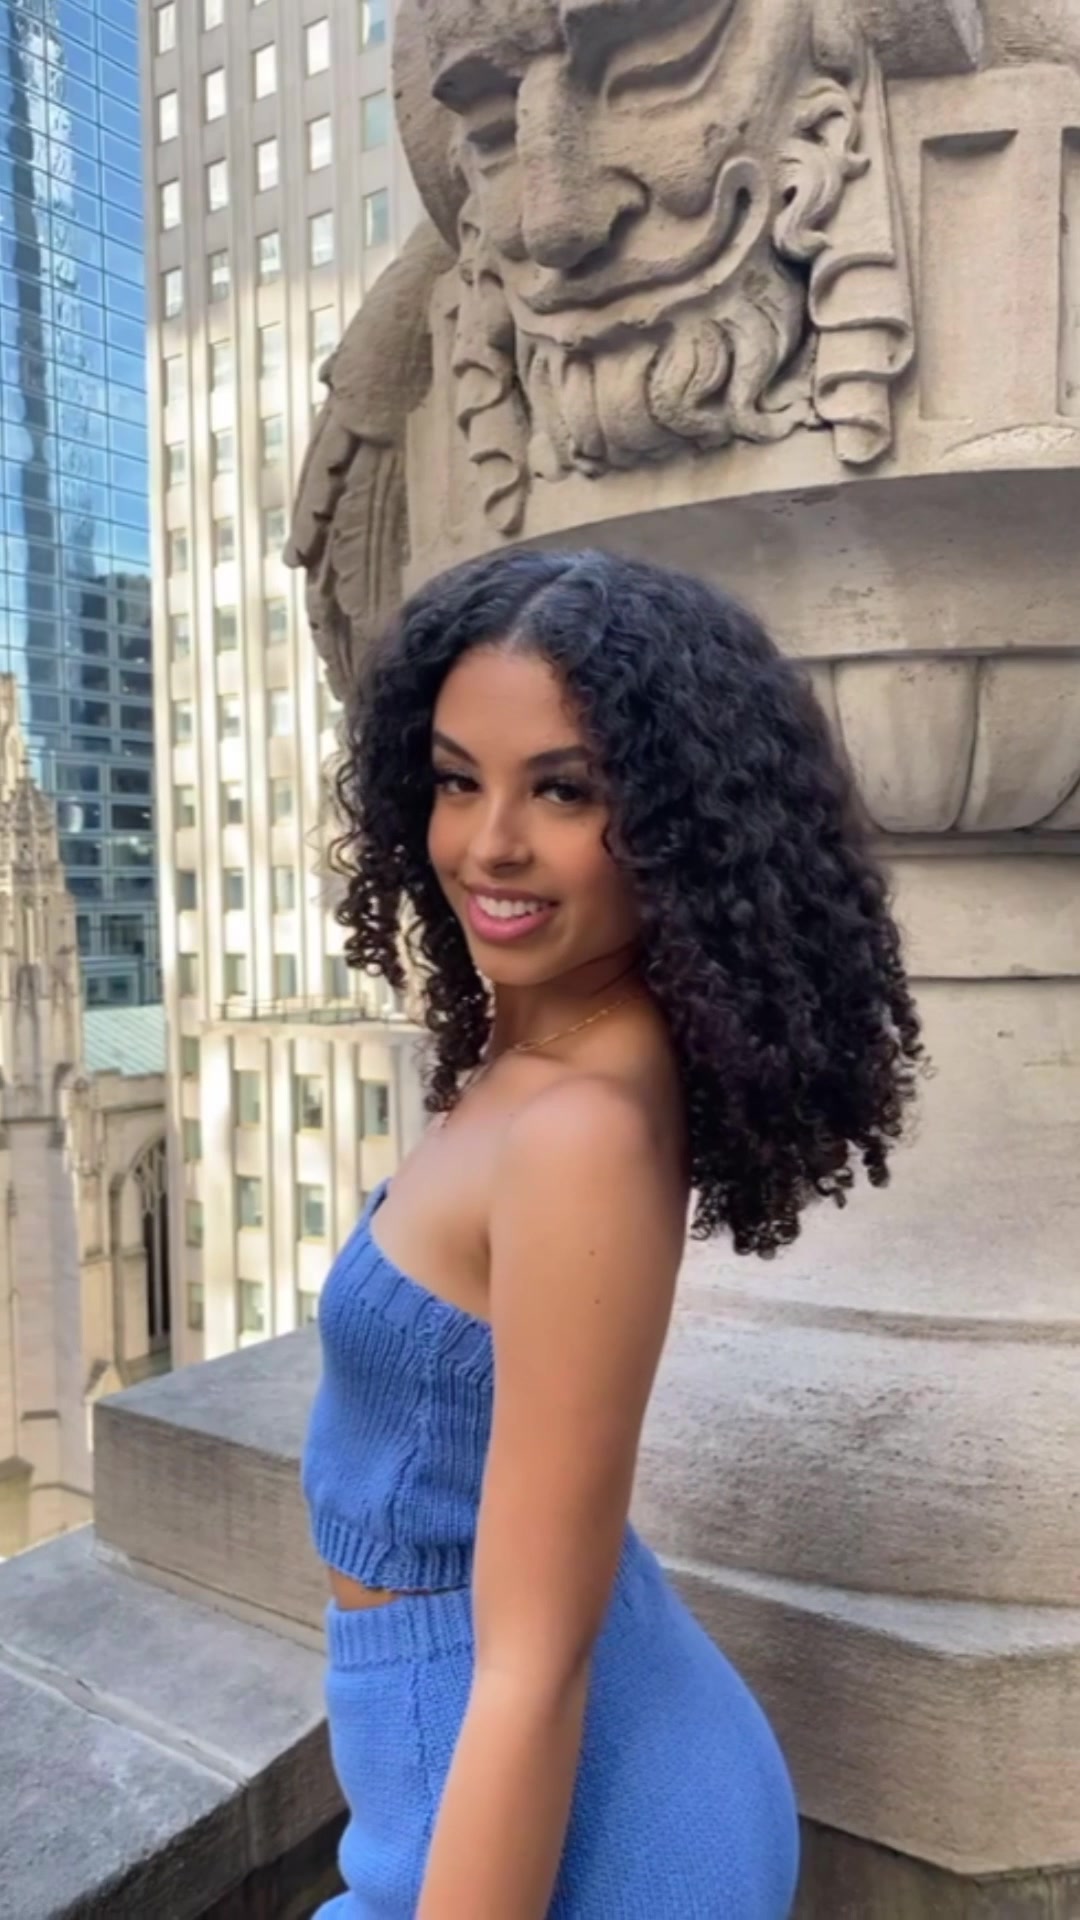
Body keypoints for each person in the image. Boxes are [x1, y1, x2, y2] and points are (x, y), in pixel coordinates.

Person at [302, 549, 921, 1918]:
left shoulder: (581, 1129)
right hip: (469, 1749)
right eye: (457, 780)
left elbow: (532, 1664)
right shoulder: (549, 1046)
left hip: (574, 1823)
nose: (490, 844)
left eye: (564, 789)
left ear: (678, 822)